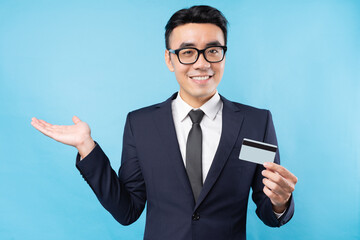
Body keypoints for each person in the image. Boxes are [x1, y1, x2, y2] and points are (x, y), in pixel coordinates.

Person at [31, 5, 298, 240]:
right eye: (187, 52)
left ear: (224, 55)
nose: (201, 63)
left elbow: (268, 207)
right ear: (169, 59)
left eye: (213, 50)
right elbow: (127, 210)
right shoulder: (141, 124)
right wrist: (87, 148)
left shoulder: (255, 124)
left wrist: (279, 202)